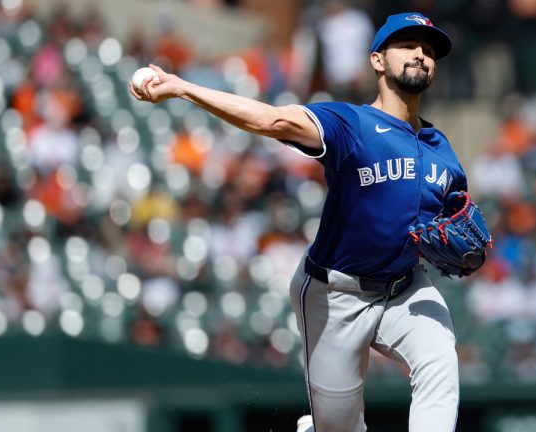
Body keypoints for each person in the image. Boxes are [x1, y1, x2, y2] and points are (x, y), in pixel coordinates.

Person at [131, 12, 468, 432]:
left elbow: (459, 218)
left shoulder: (442, 150)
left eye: (430, 50)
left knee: (439, 358)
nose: (421, 54)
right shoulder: (351, 124)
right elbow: (273, 120)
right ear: (377, 60)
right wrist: (182, 88)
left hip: (404, 287)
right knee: (338, 428)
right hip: (335, 293)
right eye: (408, 45)